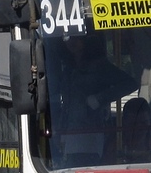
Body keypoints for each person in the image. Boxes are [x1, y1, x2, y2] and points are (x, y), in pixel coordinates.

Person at [55, 33, 137, 164]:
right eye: (67, 38)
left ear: (85, 40)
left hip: (91, 130)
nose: (71, 42)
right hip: (68, 130)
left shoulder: (99, 66)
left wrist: (99, 98)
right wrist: (61, 130)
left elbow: (130, 83)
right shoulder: (67, 68)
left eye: (76, 37)